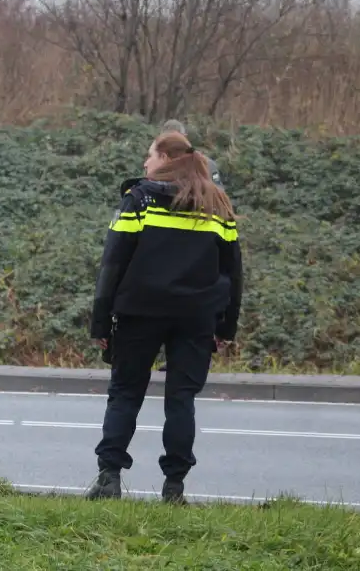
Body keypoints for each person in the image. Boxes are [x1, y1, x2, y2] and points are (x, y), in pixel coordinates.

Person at [85, 131, 244, 504]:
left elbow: (113, 263)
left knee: (125, 393)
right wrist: (226, 326)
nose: (145, 163)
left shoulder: (139, 200)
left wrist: (100, 321)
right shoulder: (217, 205)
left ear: (167, 158)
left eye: (150, 155)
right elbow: (233, 272)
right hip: (196, 317)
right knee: (181, 400)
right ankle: (174, 488)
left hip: (140, 312)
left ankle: (109, 478)